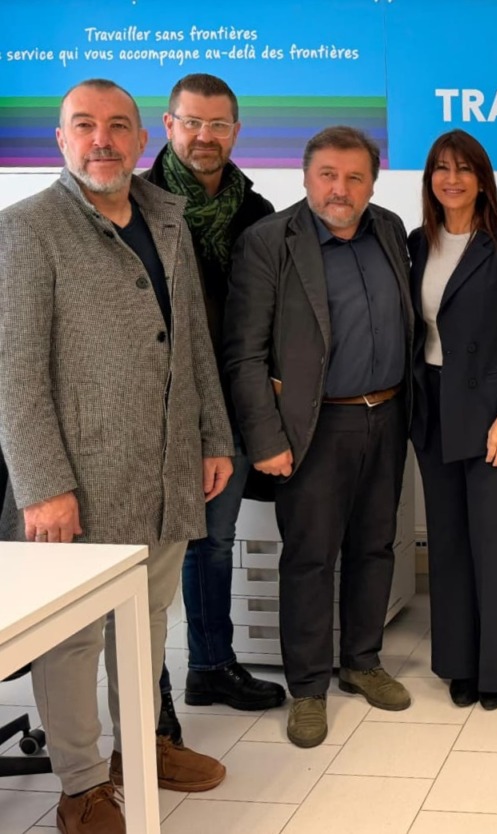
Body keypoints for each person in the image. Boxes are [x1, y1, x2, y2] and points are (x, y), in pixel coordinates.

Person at [0, 78, 234, 833]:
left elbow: (192, 343)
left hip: (164, 471)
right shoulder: (27, 229)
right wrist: (42, 486)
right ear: (60, 139)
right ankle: (81, 788)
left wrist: (213, 437)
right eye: (84, 125)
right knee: (72, 638)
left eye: (117, 126)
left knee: (147, 619)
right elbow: (14, 373)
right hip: (78, 481)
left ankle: (139, 748)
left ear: (141, 139)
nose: (101, 139)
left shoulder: (167, 218)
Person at [225, 125, 414, 748]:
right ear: (306, 178)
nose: (341, 188)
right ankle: (307, 689)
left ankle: (361, 661)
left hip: (386, 415)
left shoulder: (390, 229)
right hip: (313, 426)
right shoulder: (268, 241)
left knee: (375, 546)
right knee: (309, 558)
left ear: (373, 183)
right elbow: (245, 354)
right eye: (328, 175)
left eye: (355, 177)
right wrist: (266, 438)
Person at [141, 72, 284, 741]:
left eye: (218, 124)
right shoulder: (137, 205)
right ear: (168, 125)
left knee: (213, 539)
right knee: (159, 551)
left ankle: (209, 665)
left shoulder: (257, 210)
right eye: (192, 122)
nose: (205, 136)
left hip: (235, 403)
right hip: (162, 409)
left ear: (236, 130)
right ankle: (156, 693)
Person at [408, 129, 497, 711]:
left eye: (464, 169)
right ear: (430, 180)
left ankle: (493, 671)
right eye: (442, 168)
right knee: (447, 543)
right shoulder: (417, 242)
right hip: (435, 408)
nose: (452, 179)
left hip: (494, 414)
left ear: (482, 179)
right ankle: (457, 664)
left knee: (492, 545)